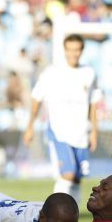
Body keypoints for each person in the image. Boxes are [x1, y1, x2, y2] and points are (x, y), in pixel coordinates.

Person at [24, 34, 100, 206]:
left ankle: (71, 213)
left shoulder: (89, 73)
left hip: (81, 132)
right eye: (70, 50)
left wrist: (94, 131)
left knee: (77, 178)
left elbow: (93, 103)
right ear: (64, 51)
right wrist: (29, 126)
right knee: (68, 174)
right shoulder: (52, 73)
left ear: (82, 51)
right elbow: (37, 99)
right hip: (59, 131)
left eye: (77, 50)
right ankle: (55, 210)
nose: (74, 54)